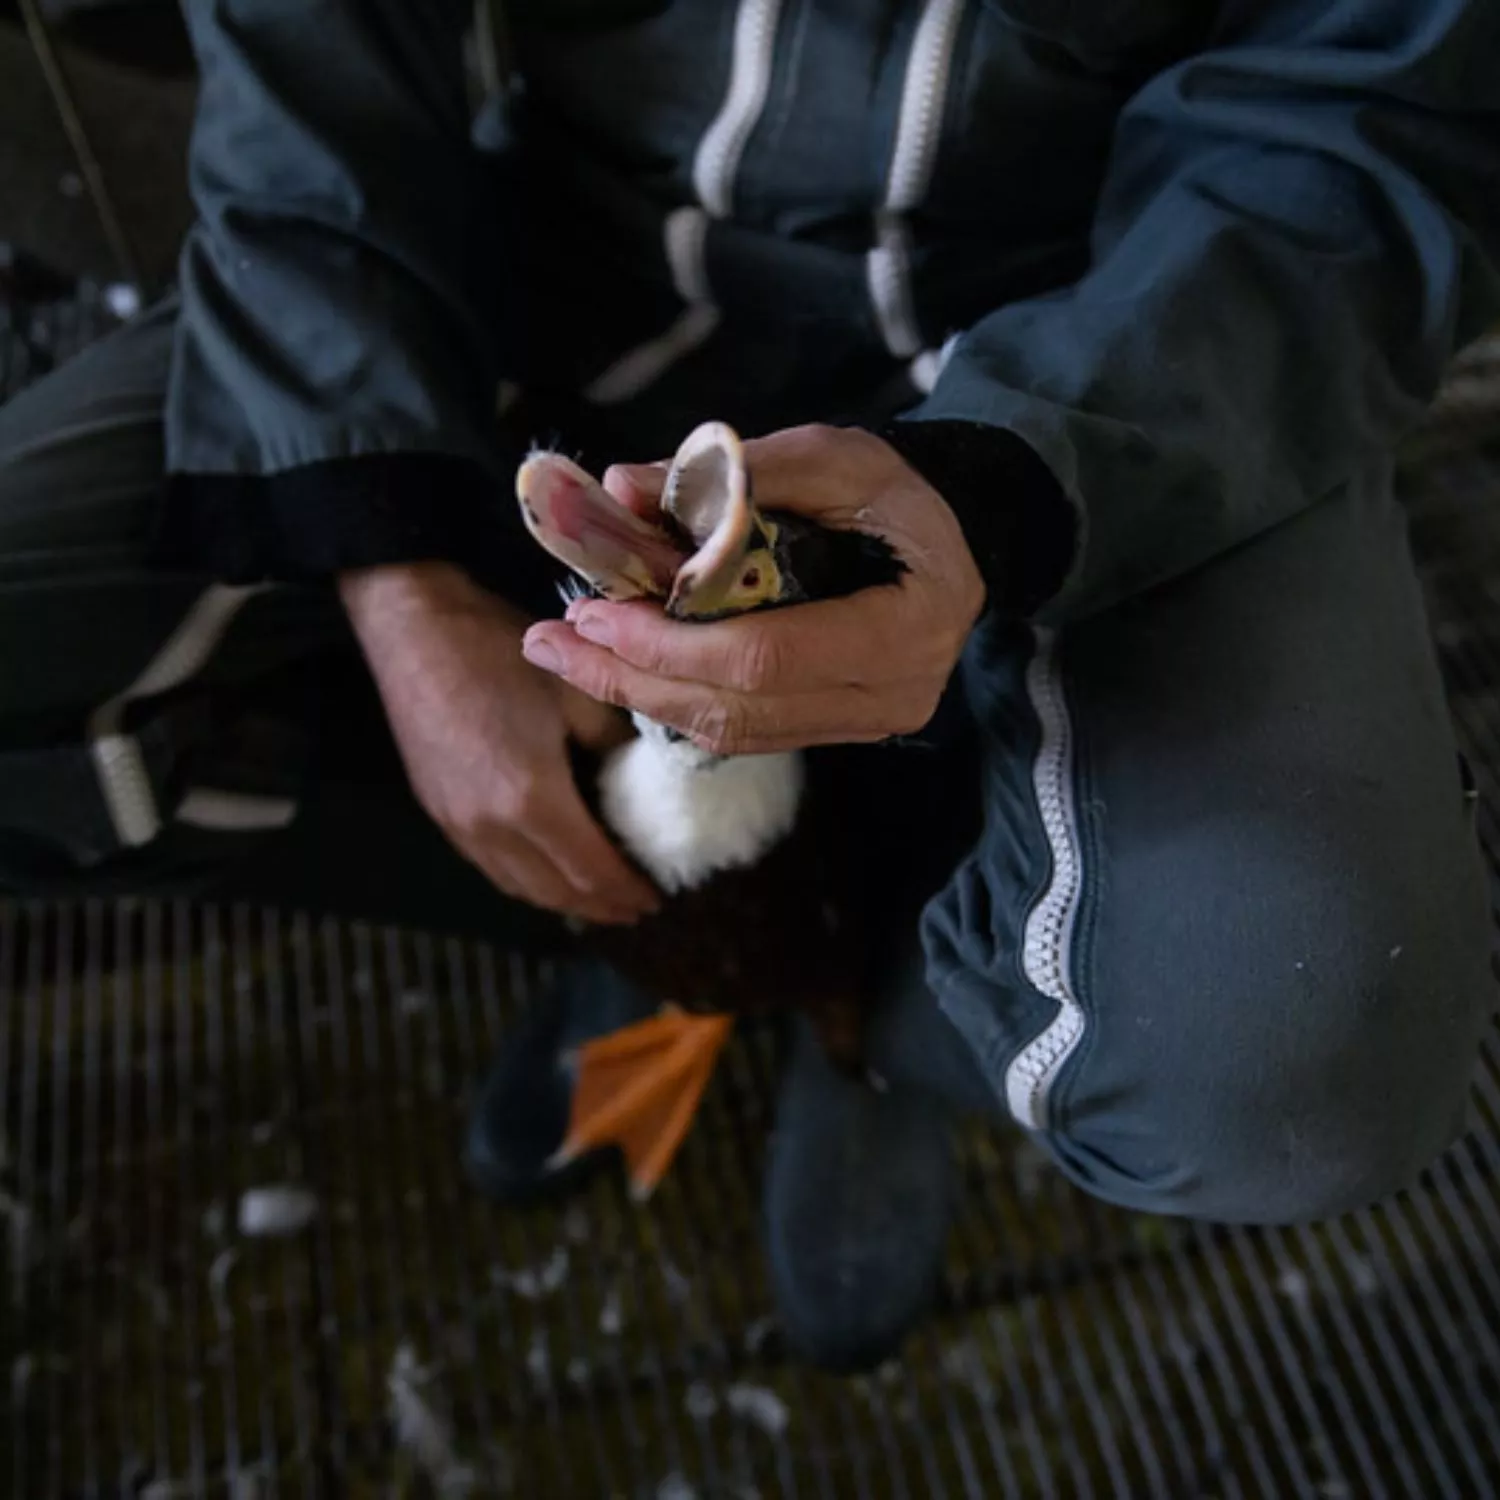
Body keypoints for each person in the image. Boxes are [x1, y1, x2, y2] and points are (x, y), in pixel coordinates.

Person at [1, 0, 1497, 1373]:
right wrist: (395, 575)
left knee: (1291, 1047)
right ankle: (631, 943)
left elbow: (1379, 122)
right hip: (594, 229)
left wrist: (1000, 489)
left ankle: (886, 1042)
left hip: (1114, 305)